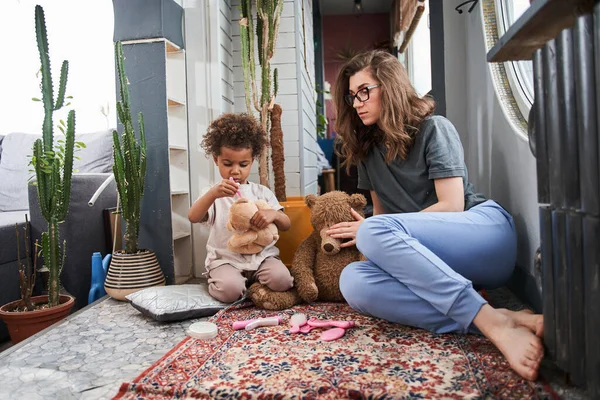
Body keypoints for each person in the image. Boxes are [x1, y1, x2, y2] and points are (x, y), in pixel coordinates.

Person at [326, 50, 545, 381]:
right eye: (352, 96)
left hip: (483, 234)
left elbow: (452, 206)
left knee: (372, 231)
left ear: (390, 85)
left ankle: (493, 324)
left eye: (365, 91)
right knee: (353, 281)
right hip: (431, 257)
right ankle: (496, 318)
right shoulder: (369, 155)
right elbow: (383, 221)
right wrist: (373, 237)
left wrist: (376, 231)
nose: (357, 103)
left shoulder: (433, 129)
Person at [188, 113, 293, 303]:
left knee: (283, 281)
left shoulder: (261, 192)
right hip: (226, 260)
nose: (235, 171)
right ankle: (238, 284)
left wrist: (273, 215)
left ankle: (253, 285)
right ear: (216, 159)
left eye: (243, 164)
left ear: (252, 161)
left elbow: (286, 224)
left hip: (262, 259)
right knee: (229, 292)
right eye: (227, 164)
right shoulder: (214, 194)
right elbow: (193, 217)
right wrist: (213, 194)